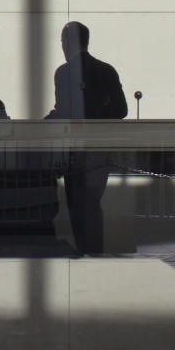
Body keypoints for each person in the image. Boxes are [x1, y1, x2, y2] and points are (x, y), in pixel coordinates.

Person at [45, 21, 127, 255]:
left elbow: (62, 111)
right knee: (91, 203)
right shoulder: (106, 70)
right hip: (99, 148)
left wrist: (43, 125)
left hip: (74, 146)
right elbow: (121, 110)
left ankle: (84, 251)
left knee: (76, 204)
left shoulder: (63, 72)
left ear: (66, 43)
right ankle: (94, 251)